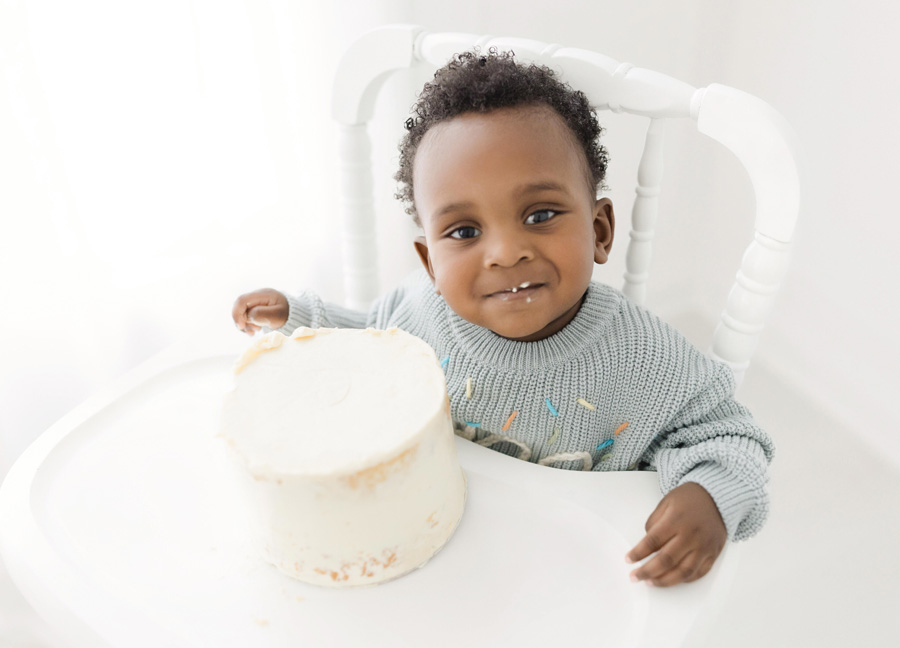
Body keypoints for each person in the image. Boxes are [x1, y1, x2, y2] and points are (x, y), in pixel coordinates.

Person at [231, 49, 775, 588]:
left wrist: (709, 496)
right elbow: (368, 342)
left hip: (568, 573)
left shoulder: (645, 359)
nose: (504, 252)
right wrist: (299, 317)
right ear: (430, 264)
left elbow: (731, 438)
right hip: (435, 557)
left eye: (540, 215)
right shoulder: (419, 311)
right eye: (464, 232)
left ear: (601, 230)